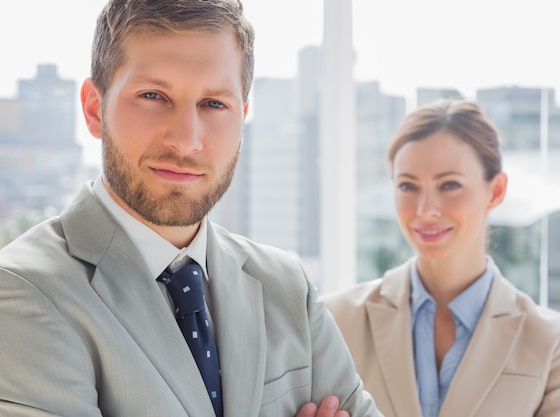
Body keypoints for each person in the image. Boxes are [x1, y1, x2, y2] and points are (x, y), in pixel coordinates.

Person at [0, 1, 382, 416]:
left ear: (242, 118)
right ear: (95, 108)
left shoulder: (287, 286)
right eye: (152, 96)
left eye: (214, 104)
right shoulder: (23, 291)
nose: (186, 140)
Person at [324, 100, 560, 417]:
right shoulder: (337, 319)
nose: (426, 210)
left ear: (495, 191)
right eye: (408, 186)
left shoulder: (553, 342)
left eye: (449, 184)